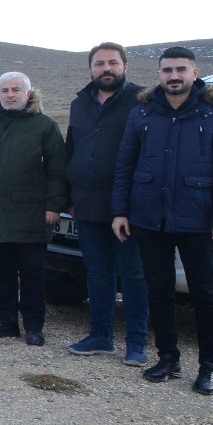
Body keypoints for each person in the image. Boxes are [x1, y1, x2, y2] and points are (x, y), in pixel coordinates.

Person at [112, 46, 213, 395]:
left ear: (194, 73)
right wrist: (120, 212)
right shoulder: (142, 115)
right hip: (149, 218)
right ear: (159, 74)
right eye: (167, 70)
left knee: (204, 293)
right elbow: (125, 166)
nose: (174, 76)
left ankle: (208, 366)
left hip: (198, 220)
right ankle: (168, 357)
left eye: (181, 69)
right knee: (159, 289)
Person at [0, 73, 68, 346]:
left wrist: (55, 205)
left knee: (32, 274)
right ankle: (5, 322)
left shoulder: (45, 126)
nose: (10, 94)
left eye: (16, 90)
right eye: (5, 90)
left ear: (28, 94)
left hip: (31, 214)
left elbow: (58, 171)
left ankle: (34, 326)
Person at [64, 42, 150, 364]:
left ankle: (137, 343)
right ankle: (101, 336)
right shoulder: (80, 102)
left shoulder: (142, 101)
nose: (106, 69)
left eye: (113, 62)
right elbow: (71, 148)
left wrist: (131, 204)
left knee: (132, 275)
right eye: (99, 63)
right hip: (86, 204)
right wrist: (69, 196)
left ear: (125, 66)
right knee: (97, 273)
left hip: (127, 207)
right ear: (91, 68)